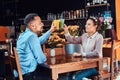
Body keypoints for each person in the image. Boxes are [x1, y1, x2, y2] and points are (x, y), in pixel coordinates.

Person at [16, 13, 56, 80]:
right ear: (32, 25)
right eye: (40, 23)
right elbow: (41, 60)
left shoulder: (23, 35)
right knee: (54, 76)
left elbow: (38, 41)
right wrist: (44, 55)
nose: (42, 24)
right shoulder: (32, 36)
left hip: (21, 73)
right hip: (30, 75)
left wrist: (50, 30)